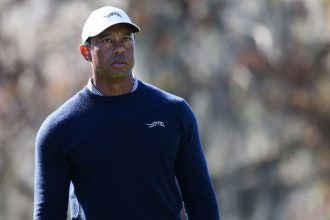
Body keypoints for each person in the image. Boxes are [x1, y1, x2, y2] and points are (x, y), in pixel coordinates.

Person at [34, 6, 220, 220]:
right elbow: (48, 213)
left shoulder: (174, 112)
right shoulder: (59, 128)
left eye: (126, 39)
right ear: (86, 52)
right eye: (106, 40)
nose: (119, 48)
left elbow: (200, 197)